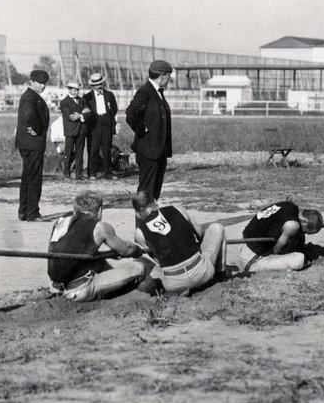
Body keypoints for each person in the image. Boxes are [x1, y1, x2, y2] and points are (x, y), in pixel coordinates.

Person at [47, 191, 151, 302]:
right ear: (100, 210)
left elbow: (73, 253)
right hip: (78, 290)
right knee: (139, 267)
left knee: (99, 261)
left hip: (55, 286)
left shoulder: (62, 220)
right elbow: (126, 250)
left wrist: (105, 254)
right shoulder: (100, 227)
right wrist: (137, 250)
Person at [130, 191, 225, 295]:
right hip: (202, 274)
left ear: (137, 214)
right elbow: (200, 234)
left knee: (140, 260)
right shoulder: (177, 209)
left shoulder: (139, 233)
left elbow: (158, 260)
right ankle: (221, 274)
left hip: (174, 284)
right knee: (217, 227)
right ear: (155, 202)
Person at [125, 58, 174, 199]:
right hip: (148, 152)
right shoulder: (145, 91)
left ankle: (150, 220)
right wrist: (143, 131)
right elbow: (131, 114)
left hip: (159, 152)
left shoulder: (158, 92)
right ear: (161, 75)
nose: (169, 78)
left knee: (154, 194)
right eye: (168, 75)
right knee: (145, 194)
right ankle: (141, 221)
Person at [236, 200, 323, 273]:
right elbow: (276, 251)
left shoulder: (290, 206)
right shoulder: (292, 225)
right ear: (305, 222)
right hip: (251, 261)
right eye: (307, 231)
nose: (305, 233)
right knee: (299, 258)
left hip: (244, 243)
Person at [15, 69, 51, 222]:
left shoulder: (30, 96)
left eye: (44, 84)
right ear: (31, 82)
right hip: (33, 144)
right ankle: (33, 213)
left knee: (27, 178)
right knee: (34, 179)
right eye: (39, 83)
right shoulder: (30, 97)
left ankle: (24, 211)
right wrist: (36, 129)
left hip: (27, 143)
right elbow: (30, 114)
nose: (42, 86)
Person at [84, 72, 118, 178]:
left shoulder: (109, 95)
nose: (98, 86)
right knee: (93, 149)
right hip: (94, 124)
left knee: (107, 149)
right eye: (95, 85)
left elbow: (114, 108)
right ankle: (92, 172)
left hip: (106, 123)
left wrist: (111, 121)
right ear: (92, 85)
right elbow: (86, 111)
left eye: (100, 84)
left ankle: (108, 172)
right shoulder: (87, 96)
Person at [59, 81, 90, 180]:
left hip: (81, 130)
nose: (76, 92)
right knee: (68, 153)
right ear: (69, 89)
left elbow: (89, 112)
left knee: (80, 153)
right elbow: (70, 116)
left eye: (77, 90)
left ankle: (79, 174)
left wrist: (80, 115)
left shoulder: (82, 100)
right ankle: (66, 174)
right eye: (74, 90)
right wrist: (82, 114)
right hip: (70, 130)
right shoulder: (64, 102)